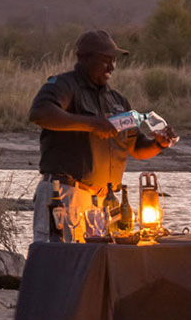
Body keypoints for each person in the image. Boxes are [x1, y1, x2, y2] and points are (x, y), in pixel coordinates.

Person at [28, 29, 174, 244]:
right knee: (58, 262)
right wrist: (91, 124)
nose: (112, 67)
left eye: (114, 61)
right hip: (65, 194)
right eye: (106, 60)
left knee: (95, 267)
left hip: (105, 204)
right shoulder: (64, 85)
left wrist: (159, 143)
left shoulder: (117, 101)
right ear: (84, 58)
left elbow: (135, 147)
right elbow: (40, 113)